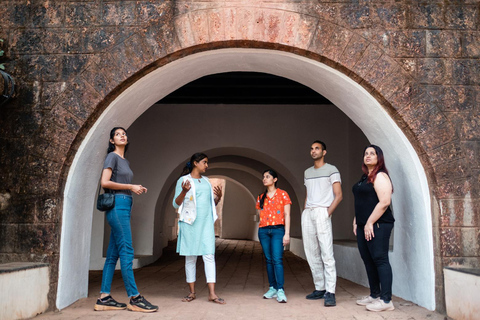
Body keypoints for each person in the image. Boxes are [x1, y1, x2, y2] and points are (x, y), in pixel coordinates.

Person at [94, 127, 158, 313]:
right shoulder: (112, 157)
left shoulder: (124, 161)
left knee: (113, 255)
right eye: (117, 134)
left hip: (125, 204)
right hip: (117, 205)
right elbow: (104, 182)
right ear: (112, 141)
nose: (122, 135)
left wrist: (134, 188)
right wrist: (130, 186)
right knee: (127, 251)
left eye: (124, 133)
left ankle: (104, 297)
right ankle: (134, 297)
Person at [173, 153, 226, 304]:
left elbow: (210, 205)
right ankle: (192, 292)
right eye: (204, 162)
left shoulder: (207, 181)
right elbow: (176, 204)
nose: (207, 166)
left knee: (209, 256)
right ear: (195, 163)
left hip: (206, 224)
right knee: (190, 257)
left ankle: (212, 294)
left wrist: (218, 198)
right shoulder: (183, 180)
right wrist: (183, 191)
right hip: (190, 224)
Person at [352, 145, 395, 312]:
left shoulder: (380, 176)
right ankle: (375, 295)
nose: (368, 156)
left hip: (379, 224)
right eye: (366, 153)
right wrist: (357, 220)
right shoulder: (365, 177)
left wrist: (369, 222)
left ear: (379, 158)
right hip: (365, 224)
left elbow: (384, 202)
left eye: (372, 153)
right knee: (368, 259)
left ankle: (386, 301)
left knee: (380, 259)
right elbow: (363, 202)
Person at [302, 140, 343, 307]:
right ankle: (320, 287)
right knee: (311, 252)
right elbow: (308, 194)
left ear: (324, 152)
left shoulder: (332, 170)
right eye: (311, 148)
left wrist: (327, 213)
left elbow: (338, 195)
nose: (313, 151)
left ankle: (330, 291)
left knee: (326, 252)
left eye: (317, 148)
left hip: (322, 212)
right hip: (309, 213)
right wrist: (305, 210)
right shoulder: (307, 172)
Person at [256, 169, 292, 303]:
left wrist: (287, 234)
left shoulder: (283, 194)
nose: (264, 179)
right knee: (268, 259)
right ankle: (272, 288)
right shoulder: (260, 197)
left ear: (275, 179)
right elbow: (260, 215)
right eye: (263, 177)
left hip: (278, 230)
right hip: (264, 231)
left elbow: (287, 214)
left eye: (267, 176)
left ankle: (280, 290)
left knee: (277, 259)